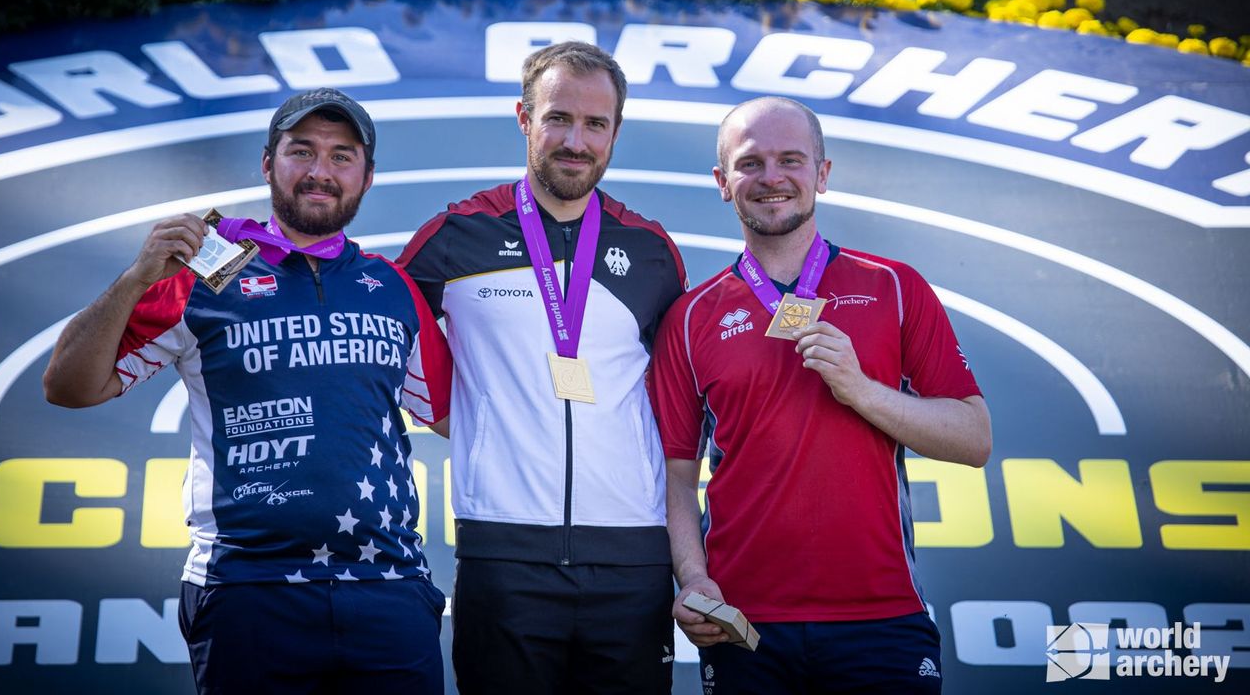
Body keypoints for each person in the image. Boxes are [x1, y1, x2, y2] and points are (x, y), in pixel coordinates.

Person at [43, 88, 452, 695]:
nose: (320, 172)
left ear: (368, 177)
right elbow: (68, 386)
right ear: (268, 163)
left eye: (343, 156)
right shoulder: (199, 275)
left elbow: (458, 416)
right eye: (301, 151)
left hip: (387, 589)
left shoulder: (392, 286)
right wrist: (135, 278)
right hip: (247, 589)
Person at [649, 96, 992, 694]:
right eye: (750, 163)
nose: (772, 178)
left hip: (882, 617)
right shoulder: (691, 316)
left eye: (791, 160)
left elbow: (974, 438)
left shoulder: (894, 286)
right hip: (745, 624)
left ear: (823, 174)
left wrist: (862, 390)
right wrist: (693, 577)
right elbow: (677, 476)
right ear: (722, 183)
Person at [397, 41, 686, 694]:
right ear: (524, 118)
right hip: (504, 557)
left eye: (596, 124)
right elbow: (373, 326)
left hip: (633, 560)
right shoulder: (456, 235)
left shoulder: (651, 250)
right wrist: (460, 416)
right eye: (558, 118)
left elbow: (678, 403)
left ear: (615, 133)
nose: (575, 140)